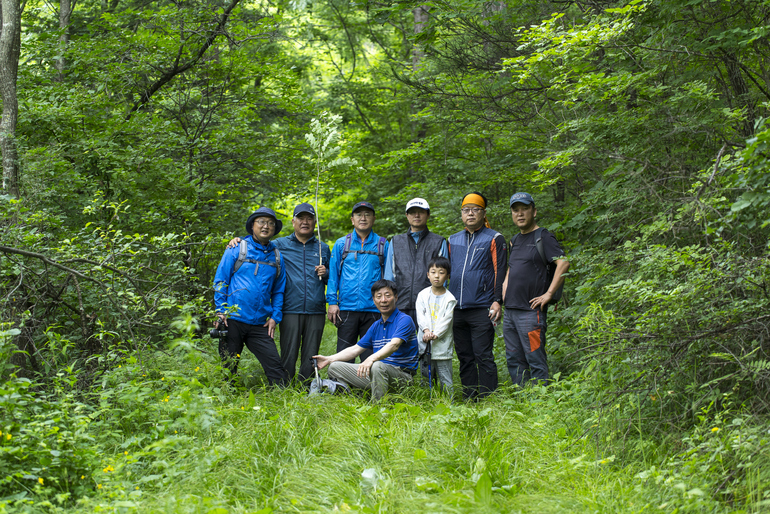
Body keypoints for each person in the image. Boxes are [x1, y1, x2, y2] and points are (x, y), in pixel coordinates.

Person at [213, 207, 289, 386]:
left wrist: (275, 318)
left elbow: (279, 290)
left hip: (260, 324)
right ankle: (226, 399)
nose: (266, 226)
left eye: (270, 223)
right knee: (228, 369)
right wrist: (221, 310)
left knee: (277, 372)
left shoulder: (277, 256)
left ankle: (281, 398)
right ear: (252, 226)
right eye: (261, 222)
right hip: (233, 320)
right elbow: (220, 281)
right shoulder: (237, 248)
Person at [502, 192, 569, 386]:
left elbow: (563, 263)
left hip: (531, 312)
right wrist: (504, 290)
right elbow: (512, 268)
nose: (520, 214)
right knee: (514, 359)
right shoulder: (514, 240)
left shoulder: (543, 237)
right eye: (516, 210)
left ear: (534, 211)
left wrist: (548, 294)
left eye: (525, 209)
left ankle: (542, 399)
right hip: (511, 311)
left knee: (535, 357)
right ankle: (523, 399)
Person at [313, 280, 418, 401]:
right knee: (334, 367)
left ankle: (378, 407)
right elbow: (355, 349)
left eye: (388, 296)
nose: (383, 300)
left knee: (377, 366)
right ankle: (354, 398)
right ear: (374, 300)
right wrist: (329, 359)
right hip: (377, 373)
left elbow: (394, 345)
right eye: (379, 296)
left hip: (401, 377)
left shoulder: (404, 320)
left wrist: (371, 358)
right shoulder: (376, 326)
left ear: (396, 297)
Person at [447, 192, 507, 400]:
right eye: (466, 210)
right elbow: (444, 272)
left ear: (483, 213)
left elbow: (500, 271)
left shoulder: (494, 238)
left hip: (483, 307)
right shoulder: (452, 240)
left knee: (483, 355)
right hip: (456, 308)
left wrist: (497, 300)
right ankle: (470, 397)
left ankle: (489, 397)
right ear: (461, 214)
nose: (470, 213)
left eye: (475, 209)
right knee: (464, 356)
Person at [273, 203, 331, 383]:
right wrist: (237, 241)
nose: (305, 222)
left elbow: (333, 278)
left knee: (311, 352)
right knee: (288, 351)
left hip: (316, 308)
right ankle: (285, 384)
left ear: (314, 222)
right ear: (293, 221)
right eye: (301, 218)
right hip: (290, 307)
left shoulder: (323, 247)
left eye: (309, 218)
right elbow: (257, 242)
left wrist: (326, 273)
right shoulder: (279, 244)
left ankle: (307, 385)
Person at [326, 201, 389, 362]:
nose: (363, 218)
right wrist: (332, 303)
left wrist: (386, 306)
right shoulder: (341, 244)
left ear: (373, 219)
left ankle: (368, 387)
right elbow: (333, 276)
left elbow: (389, 279)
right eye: (359, 214)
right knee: (343, 356)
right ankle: (341, 387)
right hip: (347, 309)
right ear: (352, 219)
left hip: (374, 311)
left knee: (371, 356)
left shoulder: (383, 244)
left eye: (367, 214)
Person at [383, 198, 448, 325]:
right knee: (400, 343)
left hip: (429, 306)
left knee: (427, 343)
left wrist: (439, 303)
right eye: (412, 212)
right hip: (400, 306)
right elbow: (389, 276)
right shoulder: (396, 242)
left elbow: (443, 277)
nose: (416, 215)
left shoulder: (439, 242)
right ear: (407, 215)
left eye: (421, 212)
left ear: (428, 215)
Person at [415, 256, 457, 394]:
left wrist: (435, 334)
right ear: (428, 275)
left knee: (445, 377)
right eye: (433, 272)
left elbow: (447, 320)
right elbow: (420, 315)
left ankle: (448, 402)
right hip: (425, 343)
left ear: (448, 276)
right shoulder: (422, 295)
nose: (437, 276)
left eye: (441, 272)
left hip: (442, 345)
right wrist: (426, 330)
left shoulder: (450, 299)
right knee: (426, 377)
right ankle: (427, 401)